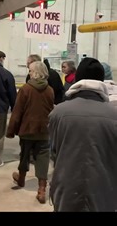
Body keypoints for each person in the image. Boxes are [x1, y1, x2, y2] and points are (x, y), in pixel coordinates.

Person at [49, 57, 117, 211]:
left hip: (66, 188)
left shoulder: (59, 112)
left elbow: (53, 151)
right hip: (104, 190)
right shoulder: (114, 115)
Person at [6, 61, 54, 203]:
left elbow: (17, 111)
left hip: (27, 129)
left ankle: (21, 179)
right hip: (44, 129)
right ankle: (42, 189)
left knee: (25, 154)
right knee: (43, 157)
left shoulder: (26, 89)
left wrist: (11, 130)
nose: (29, 73)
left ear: (36, 72)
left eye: (31, 70)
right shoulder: (50, 90)